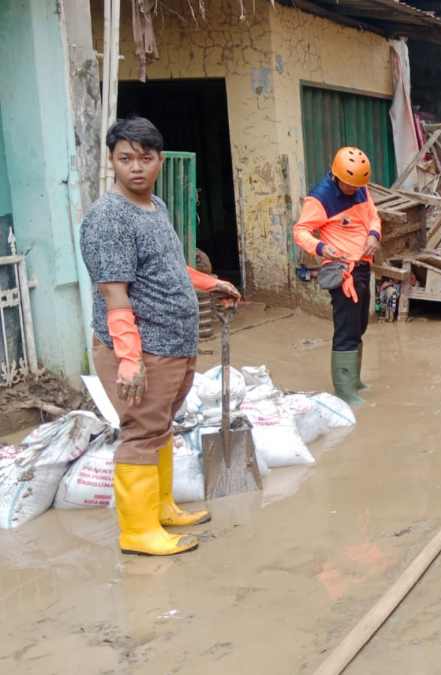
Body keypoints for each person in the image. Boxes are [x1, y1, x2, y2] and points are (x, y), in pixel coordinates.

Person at [80, 116, 241, 556]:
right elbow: (115, 297)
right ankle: (137, 530)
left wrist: (211, 284)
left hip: (172, 346)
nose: (136, 167)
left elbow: (169, 267)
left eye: (145, 158)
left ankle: (161, 507)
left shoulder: (156, 207)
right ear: (111, 161)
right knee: (142, 432)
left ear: (160, 161)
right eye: (125, 158)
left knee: (160, 427)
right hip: (142, 350)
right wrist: (129, 361)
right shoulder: (109, 219)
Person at [293, 147, 383, 407]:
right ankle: (344, 391)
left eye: (358, 185)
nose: (354, 190)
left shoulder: (360, 187)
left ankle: (354, 381)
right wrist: (321, 248)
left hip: (363, 265)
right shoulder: (320, 198)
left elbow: (373, 217)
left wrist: (373, 236)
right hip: (342, 270)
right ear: (337, 176)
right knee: (346, 329)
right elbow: (300, 232)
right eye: (349, 184)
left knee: (360, 325)